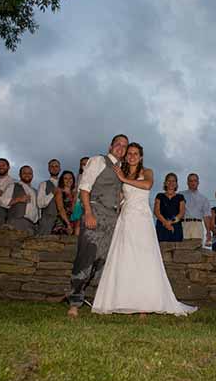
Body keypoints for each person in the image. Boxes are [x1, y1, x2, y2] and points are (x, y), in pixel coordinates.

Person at [92, 142, 197, 316]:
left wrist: (124, 179)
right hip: (126, 218)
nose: (132, 156)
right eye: (130, 153)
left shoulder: (146, 171)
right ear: (126, 156)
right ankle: (122, 301)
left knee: (144, 259)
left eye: (136, 153)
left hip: (142, 219)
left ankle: (145, 306)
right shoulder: (121, 172)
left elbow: (147, 185)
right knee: (125, 258)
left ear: (140, 157)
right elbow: (120, 197)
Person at [67, 135, 129, 317]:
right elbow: (84, 188)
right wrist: (88, 213)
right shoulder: (97, 160)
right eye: (118, 144)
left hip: (112, 218)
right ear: (110, 146)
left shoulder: (121, 170)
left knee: (103, 261)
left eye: (124, 146)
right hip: (95, 213)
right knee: (86, 257)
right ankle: (74, 303)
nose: (120, 148)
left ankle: (98, 301)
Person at [180, 173, 213, 246]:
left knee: (197, 249)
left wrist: (208, 232)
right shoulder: (180, 195)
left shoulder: (204, 198)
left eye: (195, 180)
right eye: (190, 181)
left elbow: (206, 216)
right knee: (183, 249)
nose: (192, 183)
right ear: (187, 183)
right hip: (183, 225)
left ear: (198, 182)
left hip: (197, 226)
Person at [7, 165, 39, 233]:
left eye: (29, 173)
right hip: (18, 222)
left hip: (33, 225)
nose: (27, 175)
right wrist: (18, 199)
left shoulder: (35, 191)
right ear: (19, 175)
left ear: (32, 175)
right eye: (24, 173)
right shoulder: (13, 185)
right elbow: (3, 202)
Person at [154, 173, 185, 242]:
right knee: (162, 250)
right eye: (169, 181)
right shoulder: (159, 196)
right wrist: (165, 223)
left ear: (176, 184)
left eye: (173, 181)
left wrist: (170, 222)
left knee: (177, 251)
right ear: (165, 183)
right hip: (161, 226)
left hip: (176, 227)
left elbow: (181, 213)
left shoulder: (180, 197)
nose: (171, 183)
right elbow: (156, 211)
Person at [36, 158, 61, 235]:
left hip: (63, 222)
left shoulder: (65, 184)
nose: (54, 168)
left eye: (56, 166)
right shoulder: (43, 184)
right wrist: (52, 194)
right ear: (48, 169)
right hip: (48, 220)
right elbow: (40, 204)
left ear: (60, 169)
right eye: (52, 166)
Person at [52, 170, 77, 235]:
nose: (68, 180)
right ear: (62, 180)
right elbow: (60, 208)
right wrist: (68, 224)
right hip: (63, 222)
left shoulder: (74, 193)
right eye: (65, 178)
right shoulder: (59, 191)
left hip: (74, 222)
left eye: (70, 178)